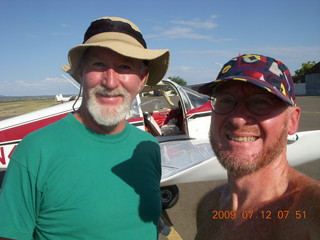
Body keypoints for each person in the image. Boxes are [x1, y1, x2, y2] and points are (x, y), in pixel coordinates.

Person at [0, 17, 170, 240]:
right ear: (81, 72)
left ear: (142, 78)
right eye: (98, 65)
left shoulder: (147, 146)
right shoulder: (36, 149)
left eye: (125, 67)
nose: (110, 82)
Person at [195, 54, 320, 240]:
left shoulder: (311, 211)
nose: (237, 119)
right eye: (226, 100)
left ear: (292, 120)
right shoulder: (208, 206)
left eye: (260, 101)